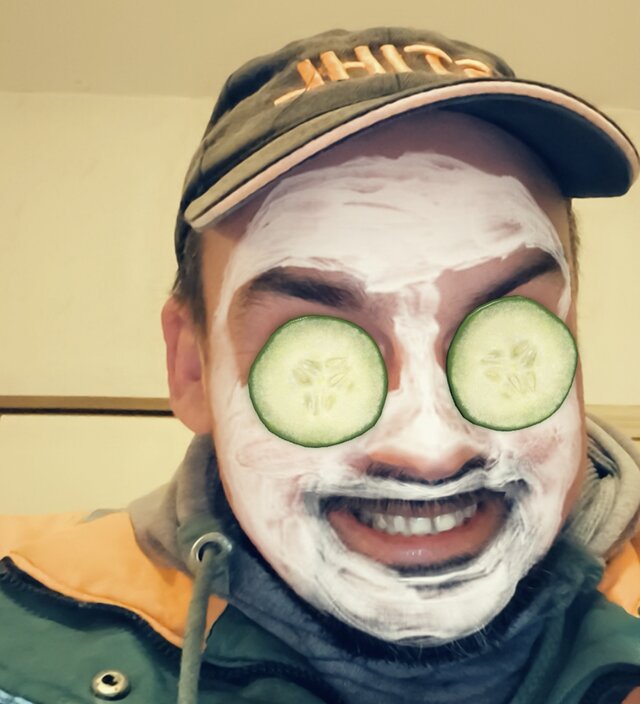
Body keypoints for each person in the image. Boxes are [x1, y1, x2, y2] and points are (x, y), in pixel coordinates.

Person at [1, 26, 639, 704]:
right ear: (191, 370)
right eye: (317, 342)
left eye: (506, 330)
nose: (430, 450)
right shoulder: (22, 607)